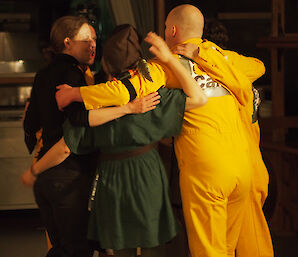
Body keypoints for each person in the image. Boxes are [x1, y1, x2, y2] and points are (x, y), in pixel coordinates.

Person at [54, 5, 266, 257]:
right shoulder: (221, 58)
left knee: (210, 250)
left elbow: (121, 91)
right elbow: (258, 67)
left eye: (165, 28)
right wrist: (204, 55)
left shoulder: (164, 65)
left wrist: (74, 93)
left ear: (173, 30)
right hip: (244, 167)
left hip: (207, 170)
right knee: (230, 248)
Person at [22, 24, 207, 257]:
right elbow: (199, 98)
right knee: (152, 243)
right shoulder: (153, 95)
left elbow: (66, 146)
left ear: (106, 63)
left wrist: (34, 170)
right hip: (147, 173)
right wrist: (169, 59)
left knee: (119, 246)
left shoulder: (97, 97)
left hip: (111, 178)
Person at [175, 19, 274, 257]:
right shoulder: (237, 72)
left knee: (226, 245)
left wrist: (204, 55)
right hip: (249, 166)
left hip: (225, 165)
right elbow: (259, 66)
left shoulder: (211, 69)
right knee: (249, 244)